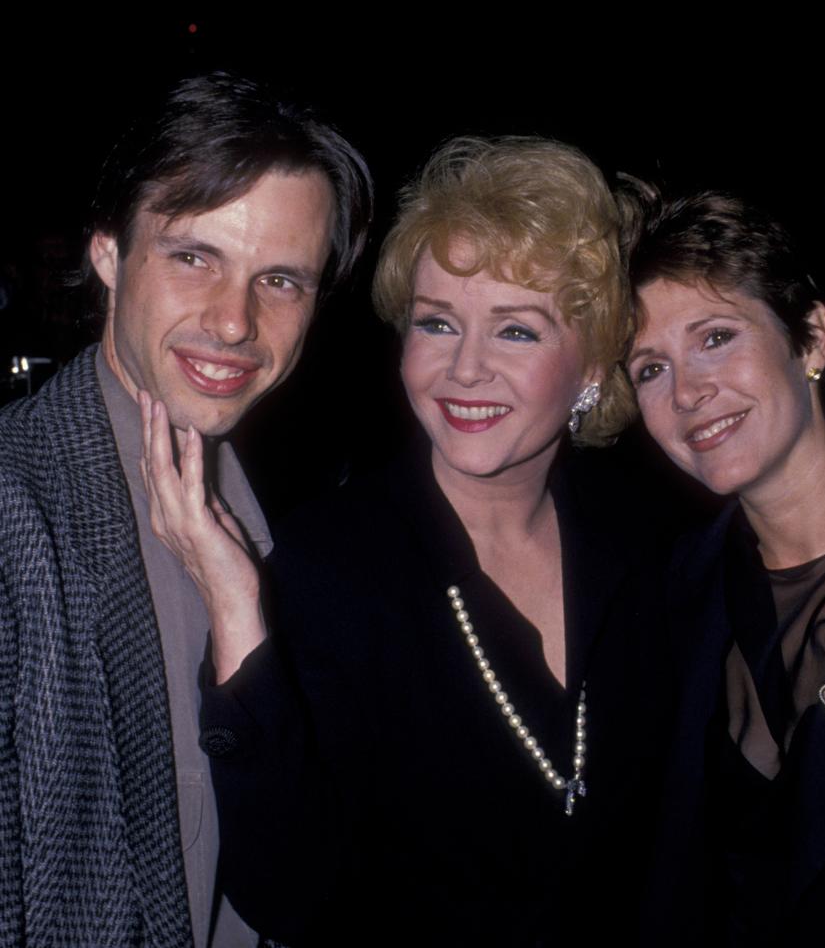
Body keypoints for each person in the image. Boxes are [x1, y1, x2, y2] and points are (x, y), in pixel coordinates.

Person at [143, 136, 666, 945]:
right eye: (437, 323)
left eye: (516, 332)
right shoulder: (329, 567)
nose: (464, 368)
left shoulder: (648, 548)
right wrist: (241, 614)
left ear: (594, 362)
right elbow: (284, 892)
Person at [0, 71, 372, 947]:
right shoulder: (18, 510)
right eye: (194, 257)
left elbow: (292, 883)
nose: (236, 320)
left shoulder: (267, 509)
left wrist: (241, 616)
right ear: (106, 253)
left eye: (281, 279)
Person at [620, 182, 825, 945]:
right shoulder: (671, 591)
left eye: (714, 336)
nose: (688, 391)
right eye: (649, 367)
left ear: (810, 339)